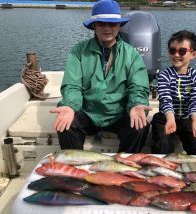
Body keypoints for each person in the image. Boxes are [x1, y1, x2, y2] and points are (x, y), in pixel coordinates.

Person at [50, 0, 152, 153]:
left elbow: (138, 86)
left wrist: (136, 104)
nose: (107, 28)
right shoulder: (78, 51)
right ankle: (75, 169)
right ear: (94, 26)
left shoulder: (132, 55)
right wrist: (70, 105)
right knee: (66, 124)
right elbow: (72, 85)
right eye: (102, 24)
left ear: (119, 26)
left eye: (112, 24)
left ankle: (123, 167)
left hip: (118, 113)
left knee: (140, 126)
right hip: (88, 112)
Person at [151, 30, 196, 155]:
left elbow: (195, 100)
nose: (176, 54)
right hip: (164, 118)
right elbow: (165, 98)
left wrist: (195, 118)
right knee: (162, 145)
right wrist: (170, 118)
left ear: (193, 54)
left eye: (182, 51)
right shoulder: (164, 76)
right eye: (172, 50)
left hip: (186, 119)